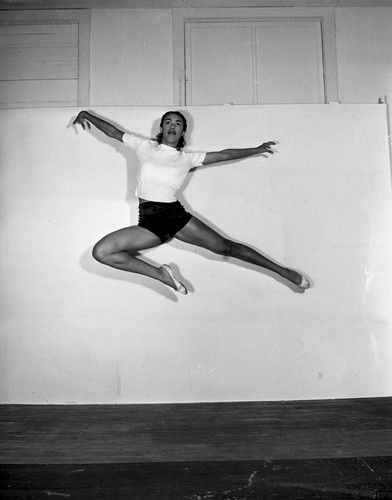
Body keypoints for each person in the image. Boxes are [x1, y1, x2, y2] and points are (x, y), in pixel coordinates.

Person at [73, 110, 310, 295]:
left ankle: (284, 272)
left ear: (183, 130)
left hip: (173, 216)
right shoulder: (145, 147)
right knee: (102, 252)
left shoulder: (187, 158)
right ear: (161, 128)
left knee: (225, 248)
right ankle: (161, 275)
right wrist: (87, 115)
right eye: (168, 122)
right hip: (148, 221)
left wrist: (256, 149)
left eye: (177, 123)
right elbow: (113, 132)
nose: (172, 126)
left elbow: (225, 154)